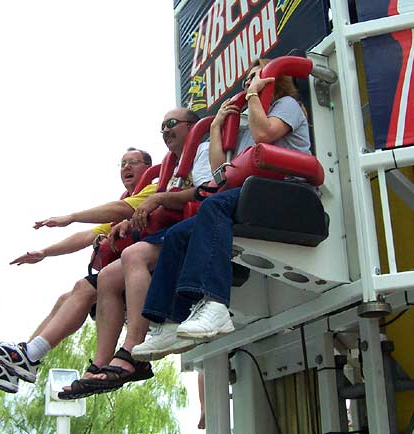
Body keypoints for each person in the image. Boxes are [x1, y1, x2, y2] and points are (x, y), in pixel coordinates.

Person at [130, 57, 312, 361]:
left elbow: (266, 134)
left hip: (289, 193)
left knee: (212, 206)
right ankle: (170, 320)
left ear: (272, 80)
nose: (248, 85)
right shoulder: (245, 126)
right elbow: (220, 172)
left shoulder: (287, 106)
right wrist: (216, 126)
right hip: (253, 194)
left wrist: (253, 96)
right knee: (177, 235)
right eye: (246, 82)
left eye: (256, 77)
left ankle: (214, 303)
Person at [0, 147, 154, 393]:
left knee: (83, 288)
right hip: (123, 277)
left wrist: (71, 216)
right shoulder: (126, 201)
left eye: (133, 162)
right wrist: (44, 252)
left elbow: (120, 209)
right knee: (65, 299)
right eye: (122, 163)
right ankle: (20, 361)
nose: (126, 168)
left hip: (143, 270)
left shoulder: (152, 187)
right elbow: (88, 235)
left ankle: (30, 356)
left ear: (147, 167)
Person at [58, 107, 212, 398]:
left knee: (133, 256)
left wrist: (157, 199)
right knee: (107, 276)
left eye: (172, 124)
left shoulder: (201, 151)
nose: (166, 131)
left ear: (192, 126)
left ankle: (133, 351)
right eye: (162, 127)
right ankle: (102, 361)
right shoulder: (172, 166)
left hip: (193, 230)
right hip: (166, 233)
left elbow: (205, 192)